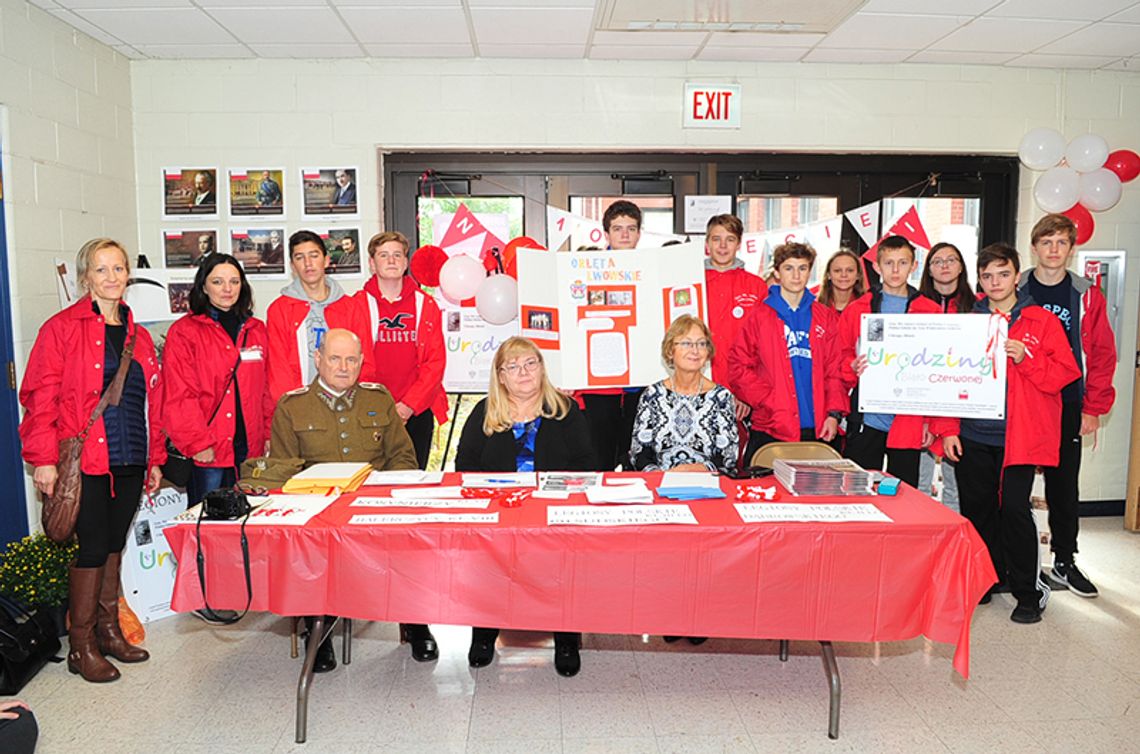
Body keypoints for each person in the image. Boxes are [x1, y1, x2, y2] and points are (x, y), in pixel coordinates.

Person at [19, 238, 165, 683]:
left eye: (118, 269)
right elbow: (40, 398)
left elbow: (150, 400)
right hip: (85, 458)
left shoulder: (138, 334)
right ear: (86, 277)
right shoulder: (61, 328)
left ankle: (108, 631)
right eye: (101, 270)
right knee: (92, 547)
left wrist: (154, 458)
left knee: (116, 544)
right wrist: (43, 460)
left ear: (127, 275)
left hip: (131, 455)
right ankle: (80, 645)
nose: (111, 277)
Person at [264, 329, 430, 670]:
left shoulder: (377, 398)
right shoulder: (292, 406)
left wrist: (392, 498)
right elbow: (283, 472)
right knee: (307, 547)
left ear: (361, 363)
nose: (344, 367)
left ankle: (414, 620)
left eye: (352, 359)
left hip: (373, 504)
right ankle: (317, 629)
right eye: (335, 358)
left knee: (408, 540)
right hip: (319, 511)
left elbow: (401, 456)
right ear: (318, 360)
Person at [942, 243, 1080, 624]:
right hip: (972, 434)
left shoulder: (1041, 321)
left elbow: (1065, 375)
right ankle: (988, 579)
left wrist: (1027, 359)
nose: (995, 281)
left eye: (1003, 274)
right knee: (977, 511)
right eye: (987, 276)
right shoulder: (967, 320)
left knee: (1016, 510)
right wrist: (948, 430)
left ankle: (1028, 590)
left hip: (1019, 438)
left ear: (1016, 275)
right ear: (980, 281)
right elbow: (947, 380)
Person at [455, 337, 595, 676]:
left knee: (561, 560)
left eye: (530, 363)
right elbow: (465, 467)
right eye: (513, 366)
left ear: (542, 368)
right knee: (487, 557)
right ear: (500, 376)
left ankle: (565, 636)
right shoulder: (484, 413)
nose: (523, 372)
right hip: (498, 514)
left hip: (554, 511)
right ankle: (484, 631)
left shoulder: (565, 410)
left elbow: (588, 464)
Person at [1019, 213, 1116, 597]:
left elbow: (1103, 354)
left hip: (1068, 402)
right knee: (1014, 486)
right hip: (1024, 403)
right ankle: (1019, 561)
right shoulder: (1018, 285)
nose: (1053, 250)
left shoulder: (1086, 293)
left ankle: (1064, 560)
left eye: (1061, 243)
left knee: (1063, 487)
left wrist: (1093, 407)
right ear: (1035, 247)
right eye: (1046, 242)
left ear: (1072, 250)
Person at [164, 254, 274, 512]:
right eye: (218, 281)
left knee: (250, 523)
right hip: (209, 449)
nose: (227, 289)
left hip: (250, 448)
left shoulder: (256, 329)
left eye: (234, 281)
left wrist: (268, 433)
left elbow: (266, 388)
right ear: (203, 286)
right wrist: (197, 443)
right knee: (208, 525)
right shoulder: (184, 332)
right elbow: (180, 393)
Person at [329, 231, 448, 469]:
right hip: (367, 410)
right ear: (372, 264)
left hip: (416, 411)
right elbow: (348, 363)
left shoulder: (426, 304)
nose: (391, 260)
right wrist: (379, 407)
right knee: (369, 481)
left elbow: (435, 362)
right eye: (384, 255)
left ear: (405, 262)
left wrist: (406, 407)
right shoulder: (354, 306)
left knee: (412, 480)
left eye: (397, 255)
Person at [838, 236, 950, 487]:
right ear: (877, 267)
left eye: (902, 263)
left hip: (908, 420)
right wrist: (851, 367)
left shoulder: (929, 310)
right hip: (867, 418)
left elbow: (937, 369)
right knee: (859, 490)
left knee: (904, 493)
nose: (896, 270)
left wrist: (928, 422)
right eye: (889, 263)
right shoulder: (858, 309)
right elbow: (840, 358)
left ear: (914, 265)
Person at [728, 243, 845, 462]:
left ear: (810, 272)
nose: (796, 275)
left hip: (816, 425)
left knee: (813, 495)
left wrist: (833, 414)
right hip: (772, 425)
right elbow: (738, 366)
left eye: (802, 268)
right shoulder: (759, 317)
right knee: (766, 492)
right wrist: (767, 399)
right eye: (789, 268)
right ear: (777, 273)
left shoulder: (825, 317)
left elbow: (834, 371)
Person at [579, 200, 643, 470]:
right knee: (598, 462)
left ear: (639, 233)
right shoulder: (586, 269)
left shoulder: (652, 269)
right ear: (607, 234)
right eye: (618, 228)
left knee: (636, 461)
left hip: (641, 381)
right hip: (600, 383)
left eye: (631, 228)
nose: (625, 235)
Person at [631, 314, 738, 475]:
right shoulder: (652, 395)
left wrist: (689, 471)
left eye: (702, 344)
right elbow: (639, 454)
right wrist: (662, 477)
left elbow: (727, 457)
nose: (695, 350)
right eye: (687, 343)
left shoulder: (721, 397)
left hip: (706, 487)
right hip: (660, 486)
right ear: (669, 351)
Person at [916, 242, 974, 512]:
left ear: (961, 266)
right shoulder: (914, 307)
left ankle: (955, 547)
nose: (945, 266)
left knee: (958, 486)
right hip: (921, 409)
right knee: (918, 486)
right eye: (938, 261)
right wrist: (925, 417)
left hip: (962, 409)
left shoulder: (978, 308)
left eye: (951, 259)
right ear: (929, 269)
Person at [266, 230, 348, 402]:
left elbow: (363, 361)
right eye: (299, 257)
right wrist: (293, 408)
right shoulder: (279, 309)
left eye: (314, 255)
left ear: (326, 260)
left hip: (344, 404)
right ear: (292, 265)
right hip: (300, 405)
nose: (308, 263)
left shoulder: (350, 306)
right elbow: (278, 367)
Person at [702, 213, 767, 426]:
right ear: (707, 243)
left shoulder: (756, 286)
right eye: (716, 239)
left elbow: (762, 347)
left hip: (738, 389)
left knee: (734, 454)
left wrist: (747, 392)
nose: (722, 246)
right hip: (697, 383)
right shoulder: (692, 281)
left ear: (739, 244)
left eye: (729, 239)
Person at [817, 248, 866, 314]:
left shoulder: (869, 306)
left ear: (858, 275)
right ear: (828, 275)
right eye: (837, 270)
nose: (844, 275)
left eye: (850, 270)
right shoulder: (815, 307)